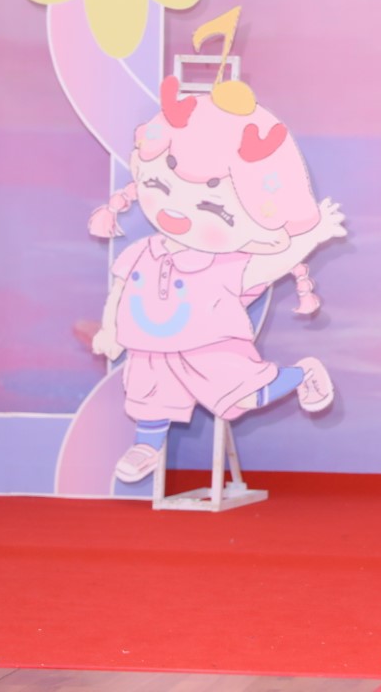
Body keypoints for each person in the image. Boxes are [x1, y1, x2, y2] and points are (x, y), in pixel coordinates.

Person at [87, 75, 346, 482]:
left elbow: (271, 266)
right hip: (149, 347)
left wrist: (312, 236)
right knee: (148, 395)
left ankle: (301, 374)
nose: (177, 212)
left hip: (211, 348)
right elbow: (120, 292)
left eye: (213, 208)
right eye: (159, 185)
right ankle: (146, 445)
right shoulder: (143, 251)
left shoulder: (228, 265)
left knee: (245, 392)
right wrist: (110, 331)